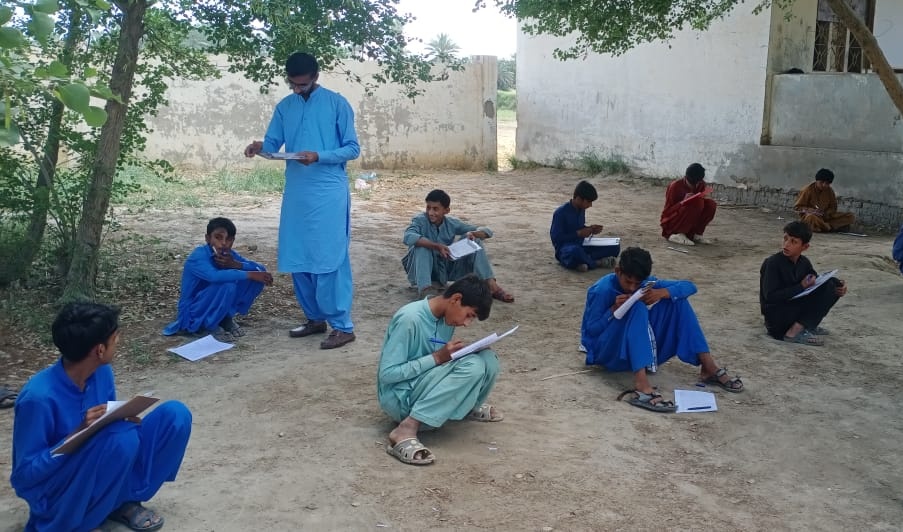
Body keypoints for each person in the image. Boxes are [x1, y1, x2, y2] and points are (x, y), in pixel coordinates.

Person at [11, 302, 192, 532]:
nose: (119, 342)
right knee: (122, 439)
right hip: (58, 488)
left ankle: (120, 501)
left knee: (175, 416)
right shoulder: (38, 398)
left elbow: (107, 426)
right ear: (99, 350)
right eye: (116, 338)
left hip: (100, 461)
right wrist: (76, 434)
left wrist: (121, 418)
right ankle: (76, 519)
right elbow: (24, 477)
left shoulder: (101, 371)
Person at [244, 52, 360, 349]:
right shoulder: (285, 107)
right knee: (299, 255)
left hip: (328, 191)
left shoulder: (337, 104)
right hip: (297, 192)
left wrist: (319, 156)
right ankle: (314, 318)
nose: (297, 90)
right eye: (293, 85)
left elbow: (352, 149)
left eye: (303, 85)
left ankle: (342, 325)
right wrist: (260, 147)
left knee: (328, 257)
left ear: (315, 77)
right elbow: (273, 144)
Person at [581, 247, 743, 413]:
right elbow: (590, 333)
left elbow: (690, 286)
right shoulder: (602, 290)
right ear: (617, 272)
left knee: (678, 301)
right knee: (638, 308)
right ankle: (641, 384)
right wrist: (612, 310)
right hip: (608, 353)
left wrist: (663, 292)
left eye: (637, 283)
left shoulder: (643, 284)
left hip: (634, 351)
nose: (631, 288)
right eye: (628, 281)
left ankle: (709, 367)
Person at [378, 275, 502, 465]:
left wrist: (461, 352)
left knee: (488, 359)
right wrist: (437, 357)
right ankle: (406, 427)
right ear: (456, 299)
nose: (466, 324)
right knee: (474, 366)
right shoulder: (409, 319)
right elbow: (387, 374)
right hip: (400, 396)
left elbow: (437, 362)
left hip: (423, 385)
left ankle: (467, 405)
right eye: (469, 315)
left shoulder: (445, 318)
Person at [163, 217, 272, 339]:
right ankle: (205, 325)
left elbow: (260, 270)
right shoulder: (198, 255)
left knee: (256, 276)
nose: (224, 243)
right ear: (208, 238)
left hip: (210, 302)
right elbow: (214, 276)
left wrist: (237, 265)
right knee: (228, 284)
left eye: (229, 239)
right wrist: (250, 274)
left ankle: (224, 317)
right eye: (218, 237)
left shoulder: (229, 255)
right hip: (193, 310)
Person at [402, 189, 514, 303]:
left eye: (435, 209)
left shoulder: (451, 223)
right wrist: (436, 246)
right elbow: (408, 236)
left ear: (446, 210)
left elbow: (487, 231)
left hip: (444, 270)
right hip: (421, 270)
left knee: (474, 240)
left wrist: (474, 234)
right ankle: (425, 291)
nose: (430, 212)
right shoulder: (420, 220)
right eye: (428, 207)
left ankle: (492, 286)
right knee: (422, 246)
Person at [760, 221, 847, 346]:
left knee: (832, 284)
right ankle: (793, 333)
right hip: (777, 318)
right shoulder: (772, 263)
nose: (786, 244)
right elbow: (771, 296)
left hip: (793, 310)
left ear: (805, 247)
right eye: (785, 239)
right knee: (828, 286)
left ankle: (806, 326)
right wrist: (800, 287)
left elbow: (817, 283)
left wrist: (840, 286)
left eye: (793, 241)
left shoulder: (804, 262)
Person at [550, 180, 619, 272]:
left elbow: (580, 228)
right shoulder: (560, 213)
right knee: (575, 251)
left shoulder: (581, 209)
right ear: (578, 198)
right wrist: (578, 234)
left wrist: (590, 229)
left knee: (615, 246)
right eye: (589, 202)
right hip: (566, 248)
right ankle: (597, 263)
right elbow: (556, 238)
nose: (590, 205)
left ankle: (584, 261)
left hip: (582, 244)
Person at [660, 162, 717, 246]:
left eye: (699, 182)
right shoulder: (675, 186)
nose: (696, 185)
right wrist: (682, 202)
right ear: (686, 177)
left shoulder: (701, 184)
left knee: (711, 204)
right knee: (697, 202)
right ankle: (679, 234)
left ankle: (696, 234)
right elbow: (667, 212)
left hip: (691, 216)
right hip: (673, 221)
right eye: (693, 183)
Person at [793, 168, 855, 233]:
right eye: (821, 182)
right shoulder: (808, 190)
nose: (824, 185)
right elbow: (797, 208)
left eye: (827, 183)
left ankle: (822, 226)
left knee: (850, 216)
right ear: (816, 180)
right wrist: (811, 210)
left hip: (825, 217)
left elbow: (833, 208)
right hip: (811, 217)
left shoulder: (830, 191)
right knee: (811, 217)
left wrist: (826, 213)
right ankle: (828, 227)